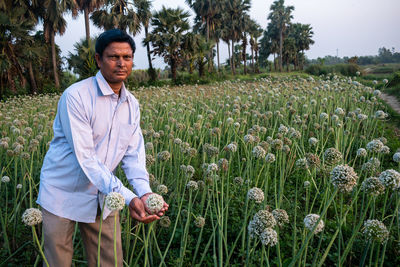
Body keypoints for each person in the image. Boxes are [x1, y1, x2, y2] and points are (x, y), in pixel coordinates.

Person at [36, 29, 168, 267]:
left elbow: (133, 156)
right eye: (113, 57)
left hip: (104, 194)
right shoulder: (76, 96)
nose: (121, 63)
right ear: (98, 59)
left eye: (127, 57)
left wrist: (145, 193)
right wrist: (129, 199)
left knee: (110, 261)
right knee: (58, 261)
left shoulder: (132, 103)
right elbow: (86, 158)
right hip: (62, 193)